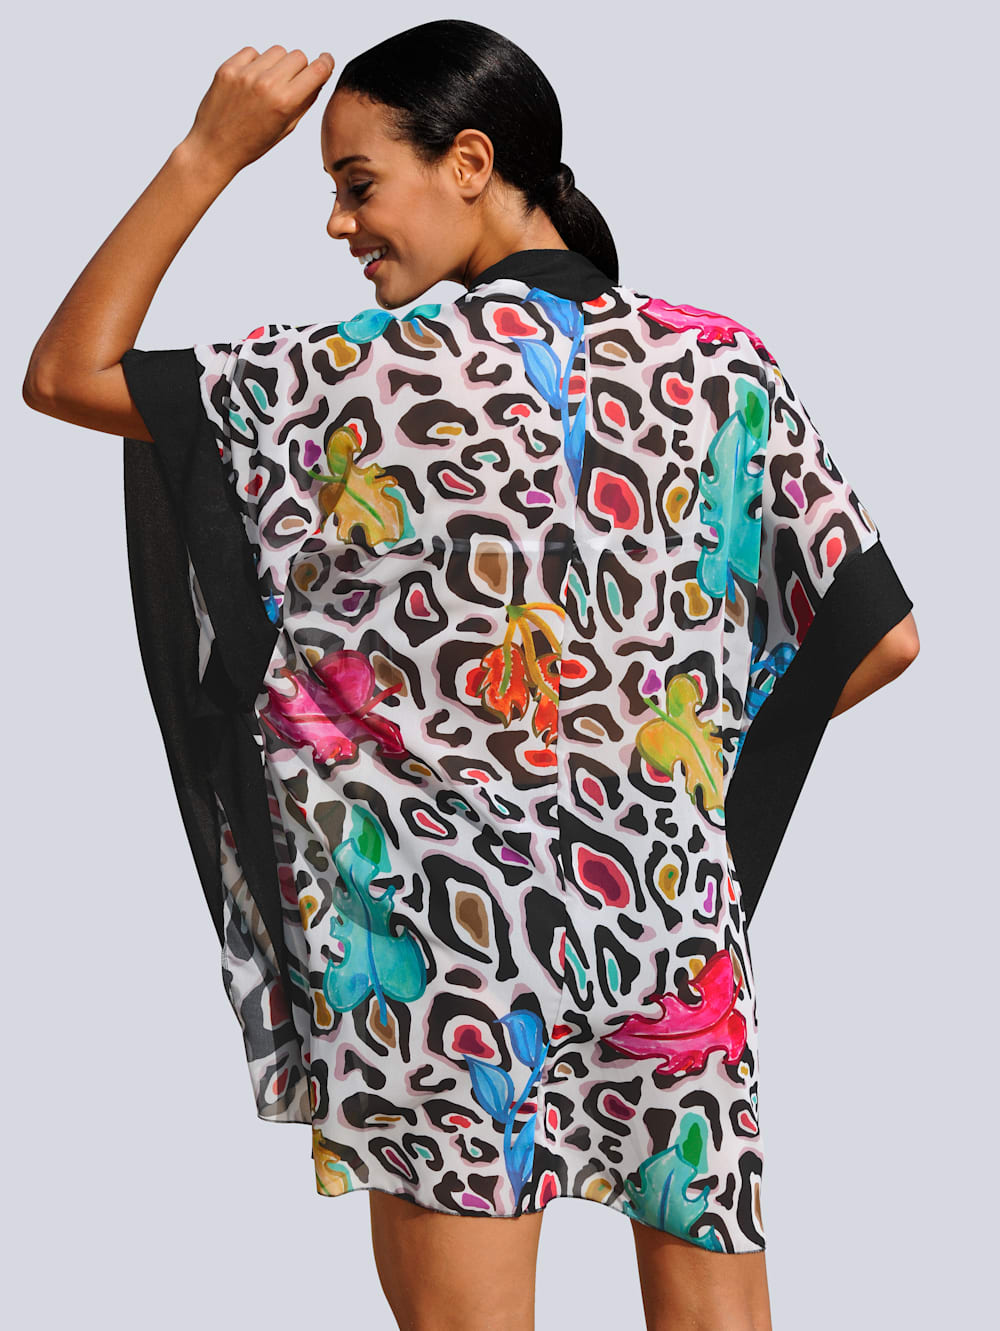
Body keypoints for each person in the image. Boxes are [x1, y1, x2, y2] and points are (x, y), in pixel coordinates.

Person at [22, 19, 918, 1331]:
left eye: (356, 182)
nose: (339, 223)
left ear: (472, 161)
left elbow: (68, 371)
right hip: (665, 925)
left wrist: (211, 153)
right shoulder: (723, 364)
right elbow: (876, 637)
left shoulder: (356, 374)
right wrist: (674, 782)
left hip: (437, 936)